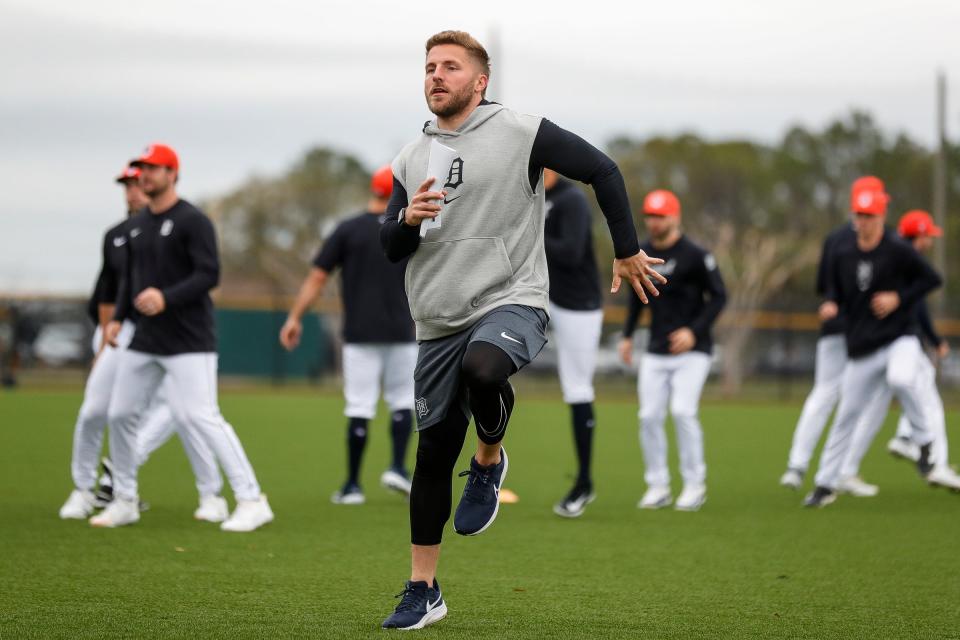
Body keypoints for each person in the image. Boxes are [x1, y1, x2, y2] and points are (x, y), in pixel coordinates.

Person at [377, 30, 666, 630]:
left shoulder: (521, 132)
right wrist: (405, 218)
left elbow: (603, 170)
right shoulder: (410, 156)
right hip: (435, 319)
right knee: (431, 454)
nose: (436, 76)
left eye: (450, 67)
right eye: (429, 67)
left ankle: (488, 459)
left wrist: (627, 250)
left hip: (512, 298)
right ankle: (422, 589)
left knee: (485, 368)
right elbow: (390, 246)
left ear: (479, 82)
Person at [93, 143, 272, 531]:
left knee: (201, 416)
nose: (145, 174)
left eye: (154, 168)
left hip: (190, 340)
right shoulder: (137, 224)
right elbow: (132, 281)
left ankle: (251, 498)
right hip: (145, 339)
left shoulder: (193, 220)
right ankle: (124, 499)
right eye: (142, 168)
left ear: (173, 174)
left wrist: (166, 297)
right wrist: (118, 318)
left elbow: (209, 275)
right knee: (120, 413)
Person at [59, 164, 225, 523]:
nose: (133, 189)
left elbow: (205, 274)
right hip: (128, 333)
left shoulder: (180, 223)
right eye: (128, 184)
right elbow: (110, 291)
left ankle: (209, 493)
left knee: (185, 413)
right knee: (95, 411)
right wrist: (107, 334)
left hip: (175, 332)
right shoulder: (119, 234)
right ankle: (87, 489)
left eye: (138, 182)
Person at [280, 165, 417, 505]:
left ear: (373, 190)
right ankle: (398, 468)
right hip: (403, 329)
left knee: (360, 405)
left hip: (359, 332)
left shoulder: (348, 229)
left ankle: (353, 486)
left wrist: (295, 316)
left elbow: (316, 278)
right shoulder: (411, 228)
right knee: (401, 400)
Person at [804, 181, 941, 507]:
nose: (863, 221)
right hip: (862, 344)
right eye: (859, 214)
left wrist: (899, 297)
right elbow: (834, 291)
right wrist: (832, 304)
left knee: (901, 378)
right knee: (846, 415)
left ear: (882, 216)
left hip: (899, 338)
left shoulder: (898, 249)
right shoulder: (842, 253)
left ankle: (922, 441)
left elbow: (931, 279)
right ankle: (825, 485)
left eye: (870, 215)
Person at [834, 209, 960, 493]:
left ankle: (846, 469)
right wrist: (935, 340)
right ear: (918, 236)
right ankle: (922, 451)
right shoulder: (898, 259)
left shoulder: (896, 255)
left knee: (876, 410)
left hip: (886, 343)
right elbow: (917, 309)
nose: (930, 241)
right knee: (926, 395)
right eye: (928, 235)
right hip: (898, 341)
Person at [619, 190, 726, 512]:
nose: (654, 222)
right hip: (656, 349)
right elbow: (637, 295)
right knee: (648, 416)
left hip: (693, 352)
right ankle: (658, 486)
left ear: (675, 217)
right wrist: (627, 336)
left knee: (682, 411)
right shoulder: (643, 253)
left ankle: (695, 485)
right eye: (650, 215)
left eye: (660, 215)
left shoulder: (696, 254)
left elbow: (720, 296)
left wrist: (694, 332)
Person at [778, 179, 870, 490]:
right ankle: (808, 465)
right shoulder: (856, 240)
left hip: (864, 332)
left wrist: (831, 299)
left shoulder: (837, 238)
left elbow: (825, 288)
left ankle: (805, 466)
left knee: (836, 397)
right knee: (835, 396)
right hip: (856, 331)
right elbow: (827, 288)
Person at [542, 169, 604, 518]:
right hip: (541, 298)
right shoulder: (533, 194)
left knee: (577, 389)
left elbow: (569, 251)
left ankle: (584, 483)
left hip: (578, 305)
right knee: (487, 367)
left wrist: (526, 235)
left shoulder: (572, 199)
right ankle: (485, 468)